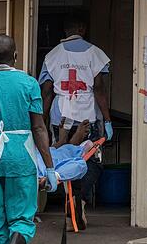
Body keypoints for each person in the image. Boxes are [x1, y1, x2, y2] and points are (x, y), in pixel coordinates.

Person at [0, 35, 57, 244]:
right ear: (15, 56)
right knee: (22, 219)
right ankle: (16, 242)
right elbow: (38, 127)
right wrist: (49, 168)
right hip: (21, 157)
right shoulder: (29, 83)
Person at [39, 15, 112, 229]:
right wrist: (107, 120)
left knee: (62, 159)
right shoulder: (95, 53)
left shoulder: (52, 56)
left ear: (64, 30)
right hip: (87, 113)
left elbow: (46, 93)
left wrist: (40, 124)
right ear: (83, 28)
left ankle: (70, 206)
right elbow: (99, 89)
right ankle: (78, 202)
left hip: (60, 114)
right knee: (92, 161)